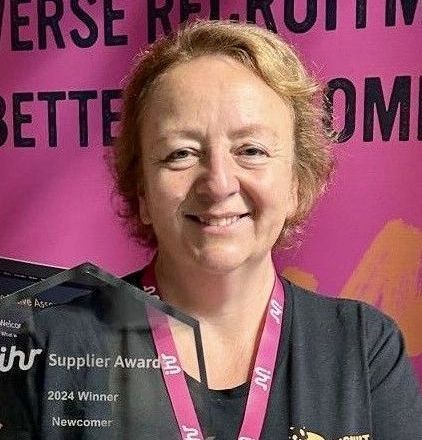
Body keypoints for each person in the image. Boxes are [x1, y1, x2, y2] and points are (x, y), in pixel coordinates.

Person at [110, 20, 422, 439]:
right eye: (181, 153)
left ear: (297, 184)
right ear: (142, 191)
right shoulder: (57, 345)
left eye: (251, 150)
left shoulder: (365, 349)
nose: (218, 183)